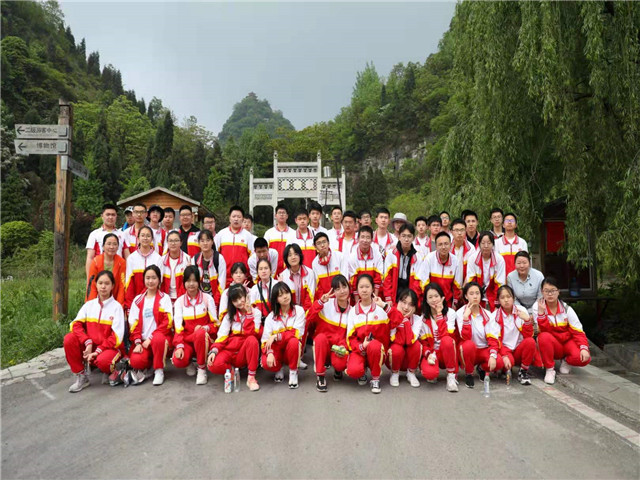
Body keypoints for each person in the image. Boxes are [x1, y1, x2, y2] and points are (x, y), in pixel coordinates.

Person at [64, 270, 125, 392]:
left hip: (108, 348)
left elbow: (116, 337)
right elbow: (75, 325)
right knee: (69, 339)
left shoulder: (117, 307)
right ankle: (82, 376)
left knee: (104, 362)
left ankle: (112, 371)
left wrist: (98, 351)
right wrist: (87, 342)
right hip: (91, 346)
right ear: (96, 285)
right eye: (100, 283)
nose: (103, 286)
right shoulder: (89, 305)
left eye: (107, 283)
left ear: (112, 286)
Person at [345, 274, 397, 394]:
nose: (364, 290)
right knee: (353, 371)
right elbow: (350, 338)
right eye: (361, 287)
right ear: (357, 290)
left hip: (377, 351)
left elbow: (397, 321)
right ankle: (362, 371)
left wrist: (385, 306)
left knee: (374, 345)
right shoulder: (353, 311)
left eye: (367, 287)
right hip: (360, 350)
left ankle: (375, 378)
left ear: (373, 288)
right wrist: (361, 346)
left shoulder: (381, 308)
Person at [534, 277, 591, 385]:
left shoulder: (566, 309)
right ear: (542, 292)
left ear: (558, 291)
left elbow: (578, 331)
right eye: (546, 291)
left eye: (553, 290)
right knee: (543, 337)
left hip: (567, 342)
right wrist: (541, 314)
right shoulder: (538, 307)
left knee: (584, 358)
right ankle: (550, 369)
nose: (550, 294)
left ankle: (566, 360)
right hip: (553, 343)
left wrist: (584, 348)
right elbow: (543, 331)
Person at [207, 285, 261, 391]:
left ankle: (251, 378)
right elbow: (222, 335)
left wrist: (249, 314)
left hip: (243, 353)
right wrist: (214, 351)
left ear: (246, 296)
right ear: (232, 302)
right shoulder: (229, 316)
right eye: (235, 300)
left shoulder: (256, 313)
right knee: (213, 364)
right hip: (230, 351)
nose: (239, 302)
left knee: (252, 340)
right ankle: (231, 372)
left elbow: (253, 334)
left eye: (241, 298)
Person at [128, 265, 174, 386]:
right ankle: (150, 366)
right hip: (143, 342)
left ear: (159, 279)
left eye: (154, 278)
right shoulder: (138, 300)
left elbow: (167, 322)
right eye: (147, 278)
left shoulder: (164, 298)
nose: (150, 281)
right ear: (144, 279)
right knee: (136, 361)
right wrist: (138, 342)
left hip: (159, 339)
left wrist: (151, 338)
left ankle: (159, 370)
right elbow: (133, 324)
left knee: (158, 339)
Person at [172, 266, 218, 385]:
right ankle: (189, 363)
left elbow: (216, 325)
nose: (191, 284)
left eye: (194, 280)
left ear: (199, 281)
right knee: (178, 361)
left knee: (200, 333)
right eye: (188, 281)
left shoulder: (207, 299)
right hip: (188, 340)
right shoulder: (179, 302)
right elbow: (178, 327)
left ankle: (202, 368)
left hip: (204, 339)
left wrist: (205, 328)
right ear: (184, 282)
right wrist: (179, 346)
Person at [306, 275, 351, 392]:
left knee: (340, 363)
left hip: (338, 348)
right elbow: (308, 318)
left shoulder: (352, 312)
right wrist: (320, 302)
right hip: (323, 347)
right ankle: (320, 376)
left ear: (349, 288)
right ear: (333, 292)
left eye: (344, 287)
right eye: (338, 289)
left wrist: (343, 346)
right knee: (320, 338)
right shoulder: (326, 305)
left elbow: (350, 336)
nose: (342, 291)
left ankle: (338, 369)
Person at [456, 282, 504, 388]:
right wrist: (466, 318)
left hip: (483, 350)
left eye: (477, 293)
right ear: (466, 296)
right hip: (468, 350)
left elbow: (493, 338)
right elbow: (465, 337)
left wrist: (493, 356)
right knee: (468, 345)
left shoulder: (488, 314)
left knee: (499, 362)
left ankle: (481, 368)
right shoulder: (460, 313)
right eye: (471, 293)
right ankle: (469, 373)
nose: (475, 296)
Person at [261, 282, 306, 388]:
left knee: (294, 341)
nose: (285, 297)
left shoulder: (299, 311)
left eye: (286, 293)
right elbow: (265, 340)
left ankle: (293, 372)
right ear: (276, 300)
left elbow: (297, 333)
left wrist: (277, 336)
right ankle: (279, 368)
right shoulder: (270, 317)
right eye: (280, 295)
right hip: (277, 349)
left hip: (292, 348)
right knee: (266, 362)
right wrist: (270, 352)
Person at [419, 284, 459, 392]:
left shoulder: (451, 313)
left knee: (447, 340)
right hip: (433, 353)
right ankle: (433, 371)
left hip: (447, 351)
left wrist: (439, 314)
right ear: (426, 300)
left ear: (442, 297)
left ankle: (451, 376)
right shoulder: (423, 318)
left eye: (436, 296)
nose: (434, 300)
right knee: (430, 374)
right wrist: (428, 354)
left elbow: (447, 336)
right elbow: (424, 343)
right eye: (430, 297)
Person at [493, 285, 536, 385]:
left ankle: (523, 371)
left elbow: (528, 335)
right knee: (508, 362)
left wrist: (527, 320)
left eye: (508, 297)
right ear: (498, 301)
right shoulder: (494, 316)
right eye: (502, 298)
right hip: (504, 349)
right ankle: (504, 369)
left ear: (514, 298)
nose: (506, 300)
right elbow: (496, 340)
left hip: (518, 349)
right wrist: (504, 355)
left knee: (530, 341)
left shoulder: (521, 310)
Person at [386, 289, 422, 388]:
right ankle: (395, 373)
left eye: (410, 304)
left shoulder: (417, 319)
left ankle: (411, 373)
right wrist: (399, 317)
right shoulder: (390, 317)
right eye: (404, 302)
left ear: (415, 307)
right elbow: (394, 339)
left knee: (417, 346)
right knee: (396, 348)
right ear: (398, 302)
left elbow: (410, 340)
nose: (406, 307)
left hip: (409, 358)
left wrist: (405, 320)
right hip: (395, 357)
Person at [382, 223, 423, 307]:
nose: (406, 239)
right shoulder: (391, 254)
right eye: (403, 236)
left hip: (410, 289)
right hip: (395, 291)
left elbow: (418, 280)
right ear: (399, 237)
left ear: (413, 238)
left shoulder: (418, 257)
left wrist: (413, 298)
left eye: (409, 236)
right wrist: (388, 297)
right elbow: (387, 277)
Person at [420, 232, 462, 308]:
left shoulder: (455, 261)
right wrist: (429, 301)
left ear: (450, 245)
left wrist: (455, 302)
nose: (443, 247)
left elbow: (457, 286)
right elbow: (424, 283)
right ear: (436, 246)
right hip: (432, 301)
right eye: (440, 244)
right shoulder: (429, 259)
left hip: (448, 301)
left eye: (446, 244)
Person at [466, 232, 506, 312]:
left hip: (493, 293)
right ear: (479, 244)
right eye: (483, 243)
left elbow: (500, 283)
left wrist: (497, 303)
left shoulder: (499, 259)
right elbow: (471, 281)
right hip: (477, 292)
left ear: (493, 245)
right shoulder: (472, 259)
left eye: (489, 243)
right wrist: (475, 297)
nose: (486, 246)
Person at [124, 226, 162, 311]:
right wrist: (130, 306)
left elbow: (159, 283)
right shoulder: (131, 258)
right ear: (138, 238)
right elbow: (129, 284)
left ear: (152, 239)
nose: (145, 238)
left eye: (148, 236)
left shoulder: (158, 258)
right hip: (135, 304)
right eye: (143, 235)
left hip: (153, 303)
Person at [215, 205, 254, 286]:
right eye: (234, 216)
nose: (236, 219)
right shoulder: (221, 234)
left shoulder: (248, 236)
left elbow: (252, 258)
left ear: (242, 219)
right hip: (223, 278)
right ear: (229, 218)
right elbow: (215, 255)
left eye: (239, 217)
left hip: (242, 278)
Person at [86, 233, 126, 306]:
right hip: (97, 299)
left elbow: (122, 286)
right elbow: (92, 285)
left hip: (115, 299)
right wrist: (91, 306)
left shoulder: (122, 262)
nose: (111, 247)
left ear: (118, 247)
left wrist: (119, 306)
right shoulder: (96, 262)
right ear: (103, 246)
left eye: (114, 244)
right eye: (109, 244)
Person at [346, 225, 383, 302]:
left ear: (372, 240)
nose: (365, 240)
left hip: (374, 294)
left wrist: (375, 299)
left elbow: (378, 278)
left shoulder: (377, 255)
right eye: (362, 237)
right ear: (358, 239)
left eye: (368, 237)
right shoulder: (352, 256)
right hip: (357, 296)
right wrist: (357, 302)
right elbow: (353, 281)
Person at [85, 204, 122, 279]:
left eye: (113, 215)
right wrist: (89, 279)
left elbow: (126, 256)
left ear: (116, 216)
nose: (110, 217)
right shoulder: (94, 234)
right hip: (100, 274)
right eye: (108, 215)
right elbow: (90, 257)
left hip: (118, 273)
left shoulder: (122, 234)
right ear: (102, 216)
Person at [192, 230, 226, 305]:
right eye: (202, 241)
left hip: (216, 299)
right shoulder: (195, 259)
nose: (205, 243)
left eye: (208, 240)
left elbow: (222, 283)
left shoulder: (219, 258)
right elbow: (193, 281)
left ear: (212, 242)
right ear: (198, 243)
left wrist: (215, 303)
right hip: (199, 300)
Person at [311, 232, 348, 299]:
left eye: (324, 242)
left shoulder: (340, 256)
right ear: (315, 247)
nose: (322, 245)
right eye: (319, 243)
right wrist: (324, 299)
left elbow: (345, 279)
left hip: (341, 297)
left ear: (328, 243)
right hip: (326, 299)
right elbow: (318, 285)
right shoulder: (315, 263)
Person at [280, 244, 316, 312]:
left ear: (300, 256)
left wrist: (303, 313)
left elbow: (310, 296)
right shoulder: (283, 276)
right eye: (290, 255)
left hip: (307, 311)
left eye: (296, 254)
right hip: (290, 312)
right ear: (286, 258)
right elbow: (285, 299)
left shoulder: (310, 273)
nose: (293, 257)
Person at [507, 251, 544, 316]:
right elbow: (512, 298)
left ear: (529, 263)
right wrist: (523, 312)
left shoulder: (539, 276)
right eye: (519, 263)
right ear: (515, 264)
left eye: (524, 263)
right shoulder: (510, 277)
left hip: (537, 309)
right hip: (518, 311)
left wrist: (533, 312)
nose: (521, 266)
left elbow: (540, 297)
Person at [160, 231, 192, 304]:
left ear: (181, 243)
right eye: (170, 241)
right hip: (165, 298)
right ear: (167, 243)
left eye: (176, 240)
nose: (173, 243)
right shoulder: (161, 260)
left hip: (183, 298)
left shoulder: (187, 259)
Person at [264, 203, 296, 276]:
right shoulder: (269, 233)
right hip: (272, 269)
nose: (281, 215)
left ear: (287, 216)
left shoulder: (293, 233)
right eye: (279, 213)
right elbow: (264, 252)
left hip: (289, 269)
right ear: (275, 215)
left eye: (283, 213)